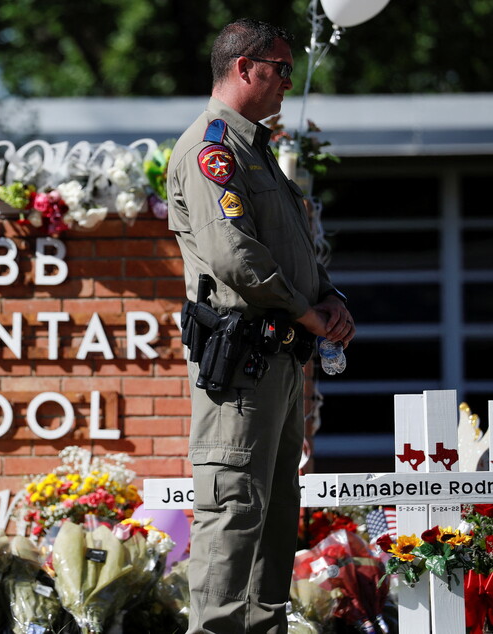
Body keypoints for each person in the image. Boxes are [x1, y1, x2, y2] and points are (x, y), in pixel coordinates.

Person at [166, 18, 355, 633]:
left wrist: (330, 298)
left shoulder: (256, 150)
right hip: (241, 364)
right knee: (233, 512)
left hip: (277, 359)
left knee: (274, 518)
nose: (286, 84)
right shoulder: (212, 148)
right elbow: (234, 258)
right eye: (279, 71)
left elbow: (291, 245)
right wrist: (307, 312)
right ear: (244, 68)